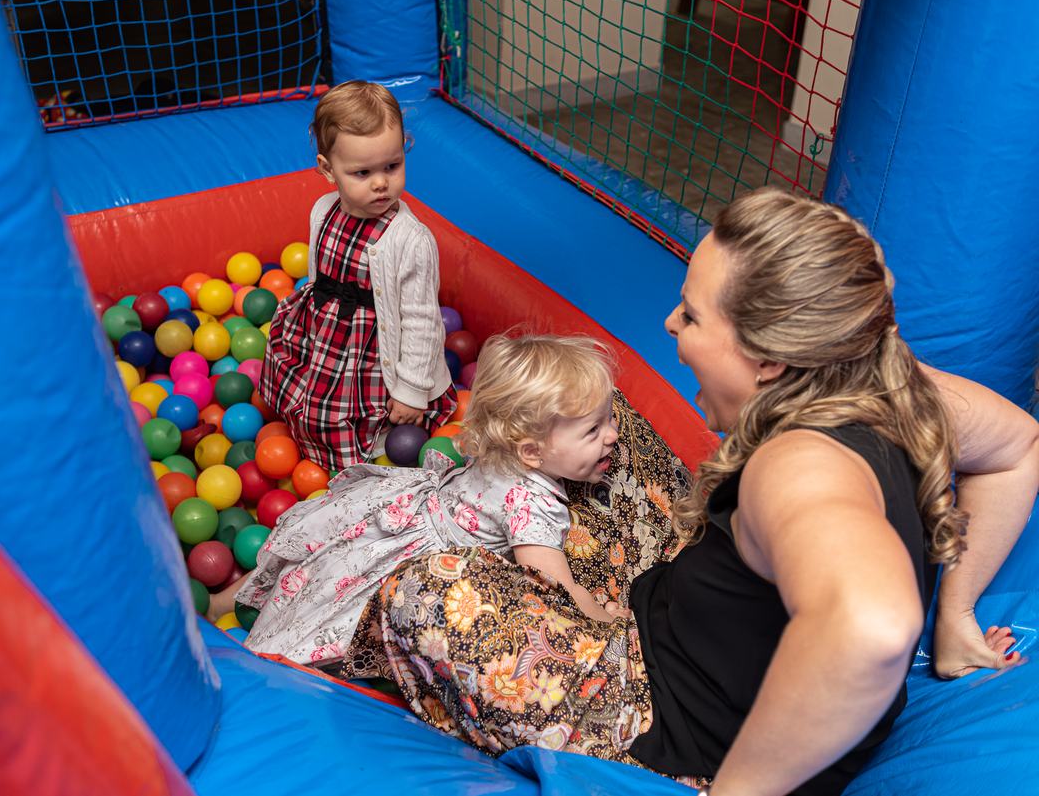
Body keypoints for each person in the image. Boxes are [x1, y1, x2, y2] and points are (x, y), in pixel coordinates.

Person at [346, 188, 1039, 795]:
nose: (671, 324)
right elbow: (1018, 445)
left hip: (668, 724)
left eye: (693, 314)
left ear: (769, 360)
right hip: (691, 619)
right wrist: (954, 615)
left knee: (424, 591)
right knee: (599, 422)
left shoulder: (797, 466)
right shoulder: (888, 380)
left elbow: (873, 624)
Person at [214, 334, 626, 669]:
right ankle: (266, 665)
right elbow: (555, 588)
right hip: (414, 568)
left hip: (394, 517)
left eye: (609, 417)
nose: (612, 434)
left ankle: (222, 604)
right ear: (532, 452)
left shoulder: (502, 450)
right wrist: (608, 621)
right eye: (593, 430)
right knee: (336, 618)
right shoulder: (534, 502)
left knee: (315, 569)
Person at [259, 80, 456, 470]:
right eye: (362, 172)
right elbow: (319, 276)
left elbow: (422, 322)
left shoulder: (411, 240)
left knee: (341, 412)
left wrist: (411, 392)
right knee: (300, 382)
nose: (381, 183)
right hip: (325, 332)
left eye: (392, 166)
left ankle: (364, 452)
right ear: (327, 169)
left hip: (373, 350)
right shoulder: (324, 210)